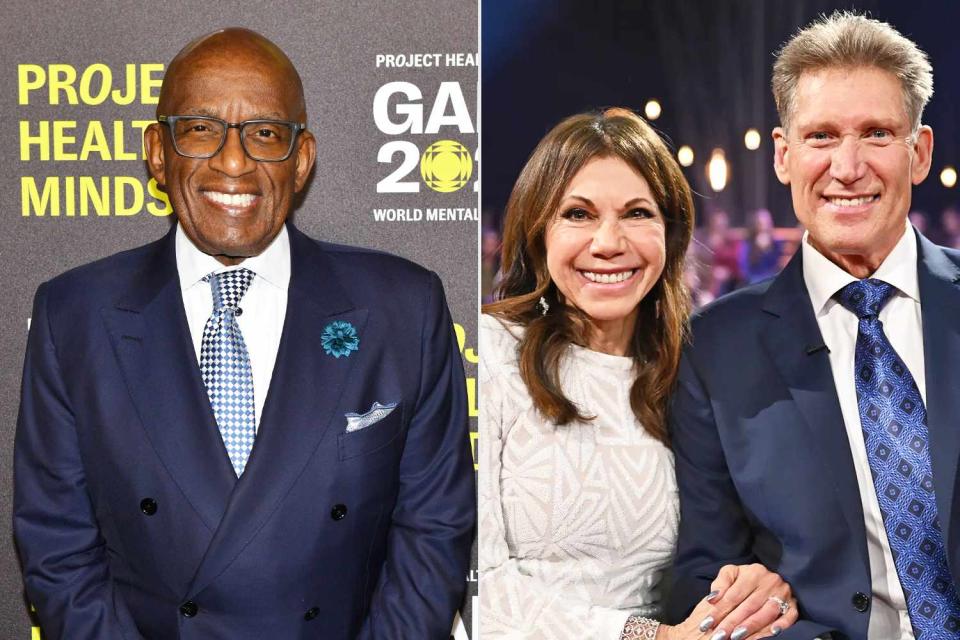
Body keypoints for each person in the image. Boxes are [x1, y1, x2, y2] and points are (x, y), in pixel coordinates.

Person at [13, 28, 475, 640]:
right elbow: (57, 547)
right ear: (158, 151)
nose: (234, 163)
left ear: (302, 157)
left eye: (265, 134)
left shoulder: (403, 308)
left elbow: (434, 530)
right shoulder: (72, 314)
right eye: (201, 128)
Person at [666, 12, 959, 640]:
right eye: (821, 136)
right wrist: (753, 608)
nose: (847, 167)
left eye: (877, 133)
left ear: (920, 153)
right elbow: (702, 572)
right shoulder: (715, 348)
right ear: (783, 155)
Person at [480, 108, 798, 640]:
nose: (608, 242)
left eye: (636, 213)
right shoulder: (487, 354)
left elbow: (734, 548)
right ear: (538, 232)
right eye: (577, 214)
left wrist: (755, 591)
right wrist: (651, 638)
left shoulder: (696, 369)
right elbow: (470, 581)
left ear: (670, 235)